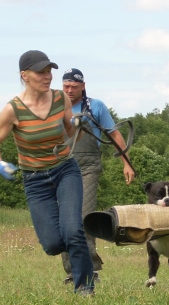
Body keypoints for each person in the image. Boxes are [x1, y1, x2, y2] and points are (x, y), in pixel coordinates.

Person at [0, 50, 95, 296]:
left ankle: (85, 288)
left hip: (65, 170)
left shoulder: (60, 99)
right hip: (35, 180)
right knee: (53, 243)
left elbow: (68, 131)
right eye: (41, 72)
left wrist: (78, 125)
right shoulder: (12, 110)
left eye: (49, 71)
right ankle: (78, 267)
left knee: (74, 230)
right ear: (24, 75)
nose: (48, 76)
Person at [61, 68, 135, 284]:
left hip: (87, 167)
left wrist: (126, 163)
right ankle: (71, 272)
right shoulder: (54, 108)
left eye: (74, 86)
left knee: (83, 217)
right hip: (61, 168)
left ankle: (90, 270)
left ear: (83, 86)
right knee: (65, 221)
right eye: (66, 86)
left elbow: (114, 134)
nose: (70, 90)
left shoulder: (95, 107)